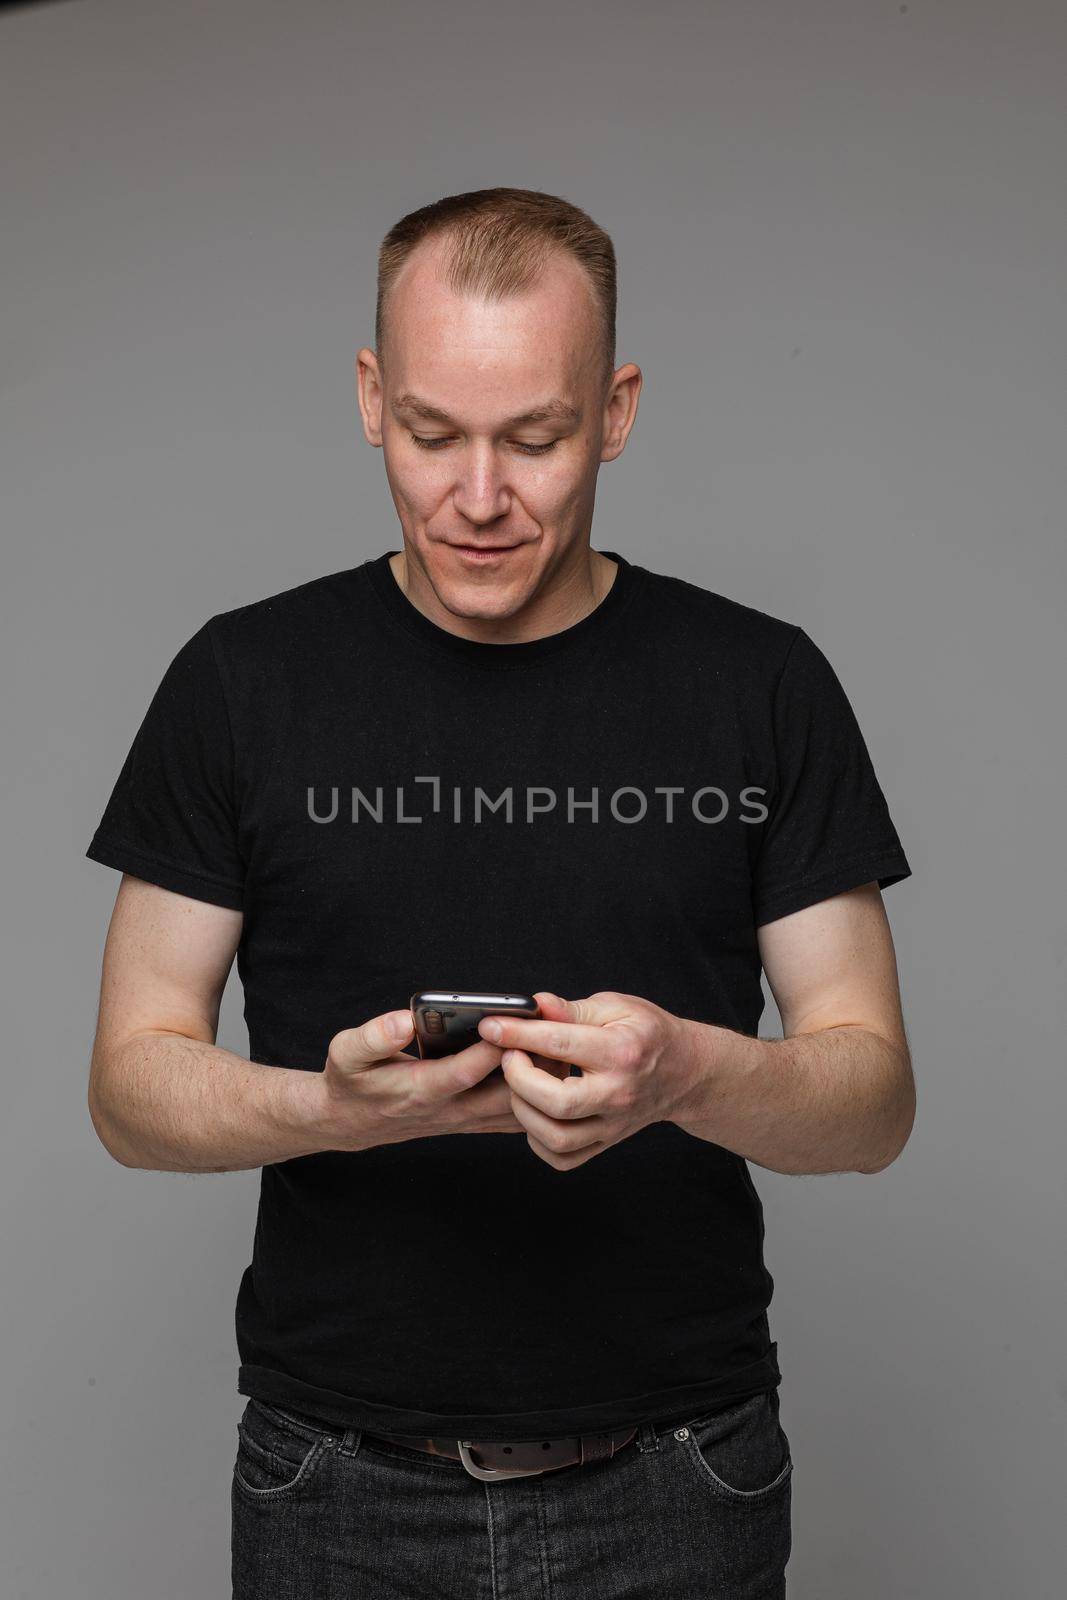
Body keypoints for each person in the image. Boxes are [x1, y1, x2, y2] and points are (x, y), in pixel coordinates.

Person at [85, 187, 914, 1599]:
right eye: (431, 433)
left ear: (615, 411)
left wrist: (689, 1074)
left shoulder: (761, 685)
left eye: (534, 438)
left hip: (681, 1480)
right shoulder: (239, 683)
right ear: (368, 398)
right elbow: (127, 1085)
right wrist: (327, 1114)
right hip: (333, 1486)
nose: (478, 497)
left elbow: (873, 1102)